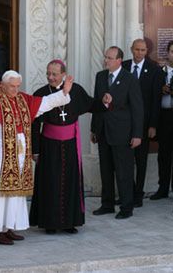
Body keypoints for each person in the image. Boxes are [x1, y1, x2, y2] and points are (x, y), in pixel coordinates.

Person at [0, 69, 74, 245]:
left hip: (19, 152)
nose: (15, 90)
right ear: (3, 85)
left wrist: (64, 93)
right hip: (1, 154)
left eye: (17, 86)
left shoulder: (23, 99)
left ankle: (8, 227)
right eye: (11, 86)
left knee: (15, 192)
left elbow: (45, 103)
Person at [30, 59, 112, 234]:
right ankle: (49, 223)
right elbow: (35, 124)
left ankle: (69, 222)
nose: (50, 77)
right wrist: (35, 150)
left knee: (71, 183)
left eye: (54, 74)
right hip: (49, 145)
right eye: (48, 73)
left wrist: (104, 102)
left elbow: (91, 104)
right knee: (50, 183)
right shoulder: (41, 93)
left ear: (63, 75)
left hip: (70, 145)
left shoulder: (76, 90)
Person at [91, 46, 144, 219]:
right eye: (105, 57)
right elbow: (96, 106)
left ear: (119, 60)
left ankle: (126, 207)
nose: (106, 60)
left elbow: (137, 108)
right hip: (103, 131)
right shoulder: (100, 76)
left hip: (123, 132)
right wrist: (94, 129)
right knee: (105, 170)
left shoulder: (129, 78)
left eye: (110, 58)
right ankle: (107, 204)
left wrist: (137, 134)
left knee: (124, 172)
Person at [122, 39, 163, 207]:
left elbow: (156, 100)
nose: (139, 53)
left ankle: (138, 194)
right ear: (131, 49)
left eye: (143, 50)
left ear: (147, 51)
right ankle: (128, 192)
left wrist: (153, 125)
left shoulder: (154, 70)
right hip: (123, 123)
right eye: (137, 49)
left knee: (141, 160)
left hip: (144, 123)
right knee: (124, 160)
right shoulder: (123, 67)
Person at [151, 40, 173, 200]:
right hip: (164, 117)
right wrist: (161, 90)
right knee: (163, 155)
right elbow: (150, 96)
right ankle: (162, 188)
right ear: (167, 52)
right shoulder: (158, 72)